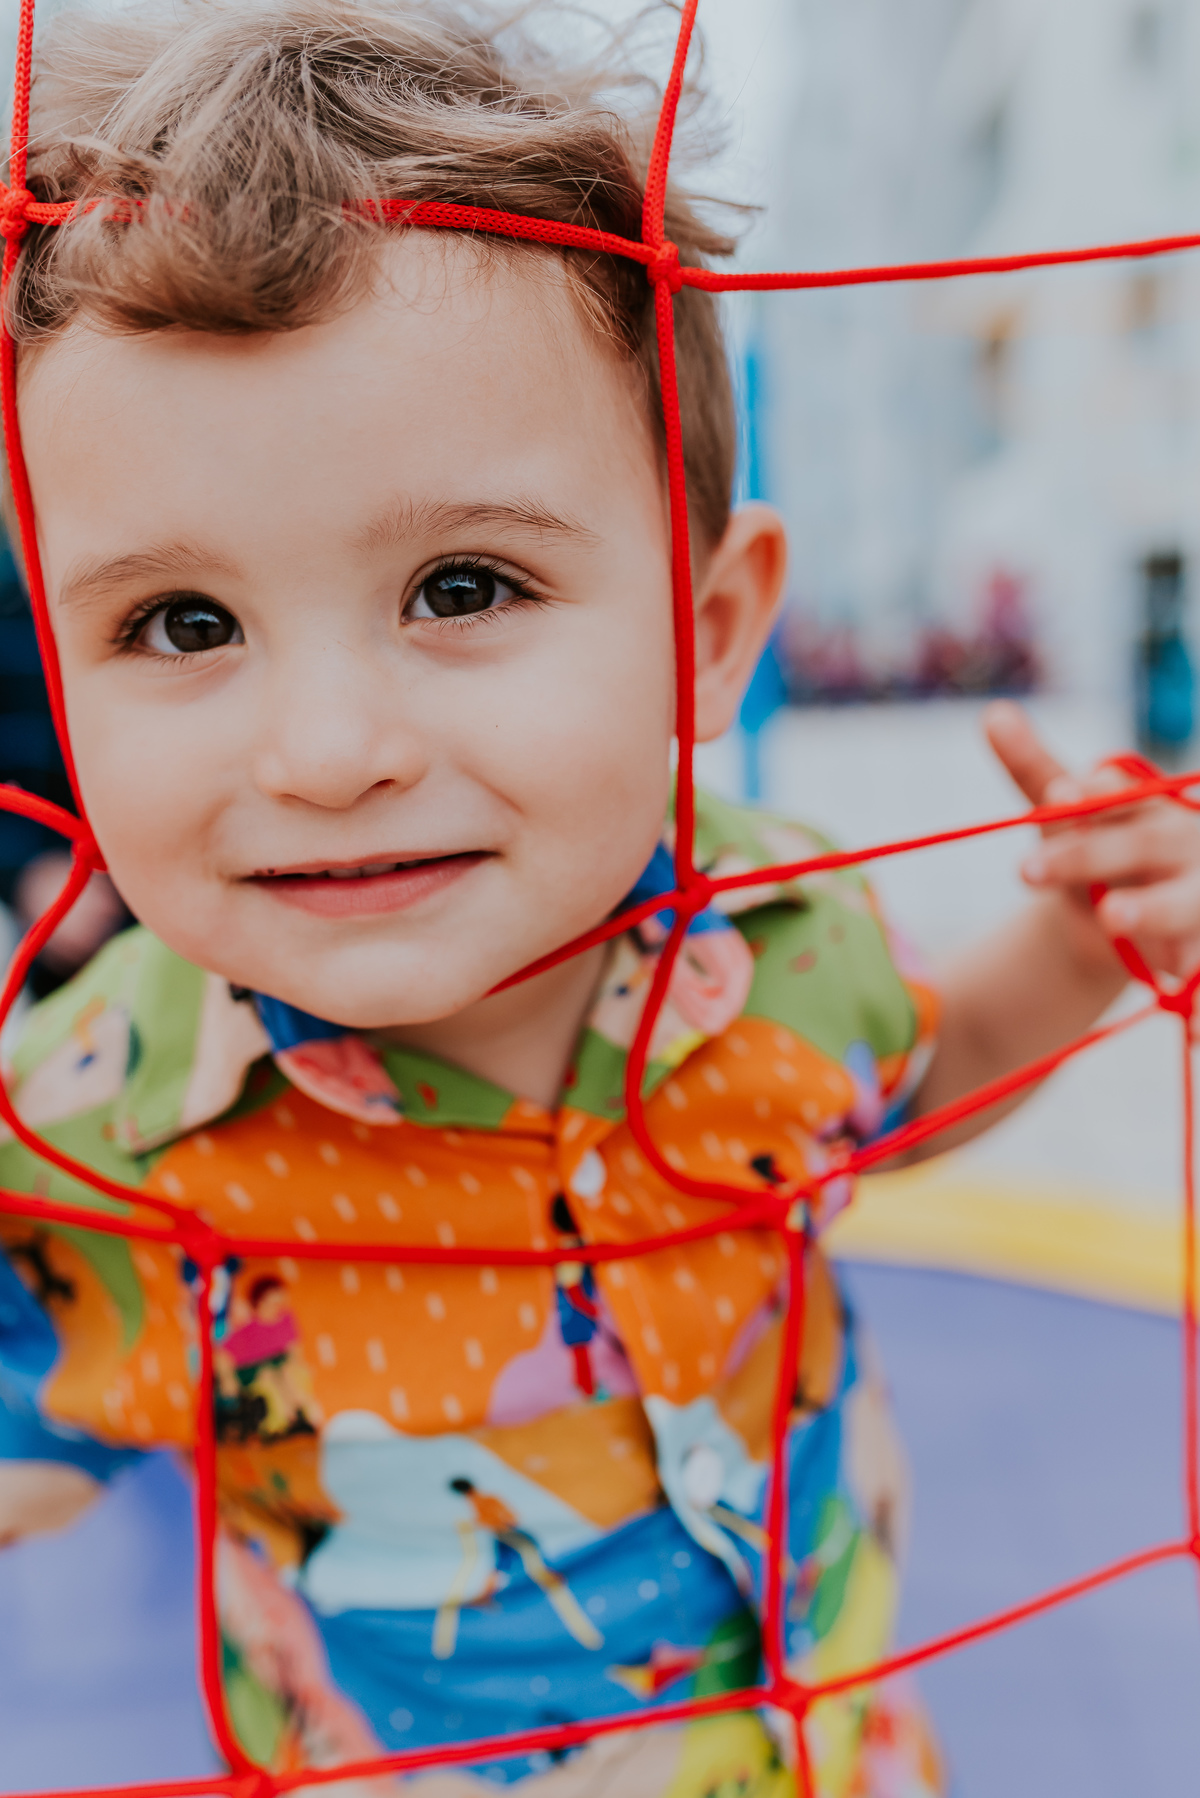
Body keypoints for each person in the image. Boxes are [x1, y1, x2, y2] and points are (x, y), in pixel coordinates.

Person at [1, 4, 1199, 1793]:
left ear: (706, 631)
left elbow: (901, 1088)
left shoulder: (781, 938)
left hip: (835, 1752)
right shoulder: (92, 1114)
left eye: (464, 585)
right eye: (183, 625)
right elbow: (37, 1405)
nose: (327, 752)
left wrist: (1090, 938)